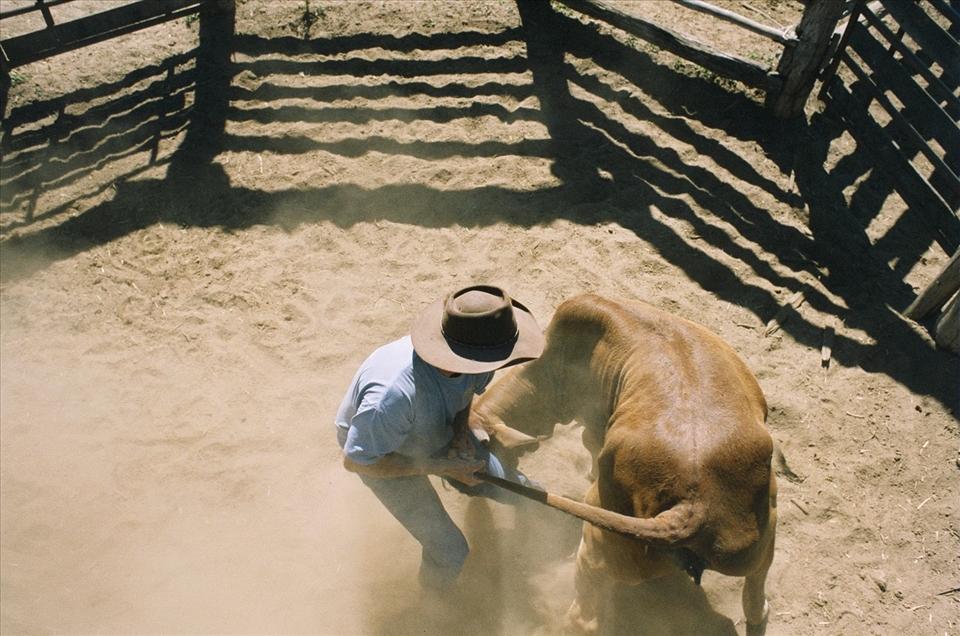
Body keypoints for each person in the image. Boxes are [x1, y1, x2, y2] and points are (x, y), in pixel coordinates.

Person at [335, 284, 545, 592]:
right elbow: (357, 462)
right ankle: (433, 607)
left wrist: (460, 433)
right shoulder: (391, 397)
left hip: (436, 434)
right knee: (450, 551)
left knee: (519, 489)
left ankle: (542, 518)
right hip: (383, 455)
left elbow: (465, 394)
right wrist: (441, 467)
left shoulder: (477, 360)